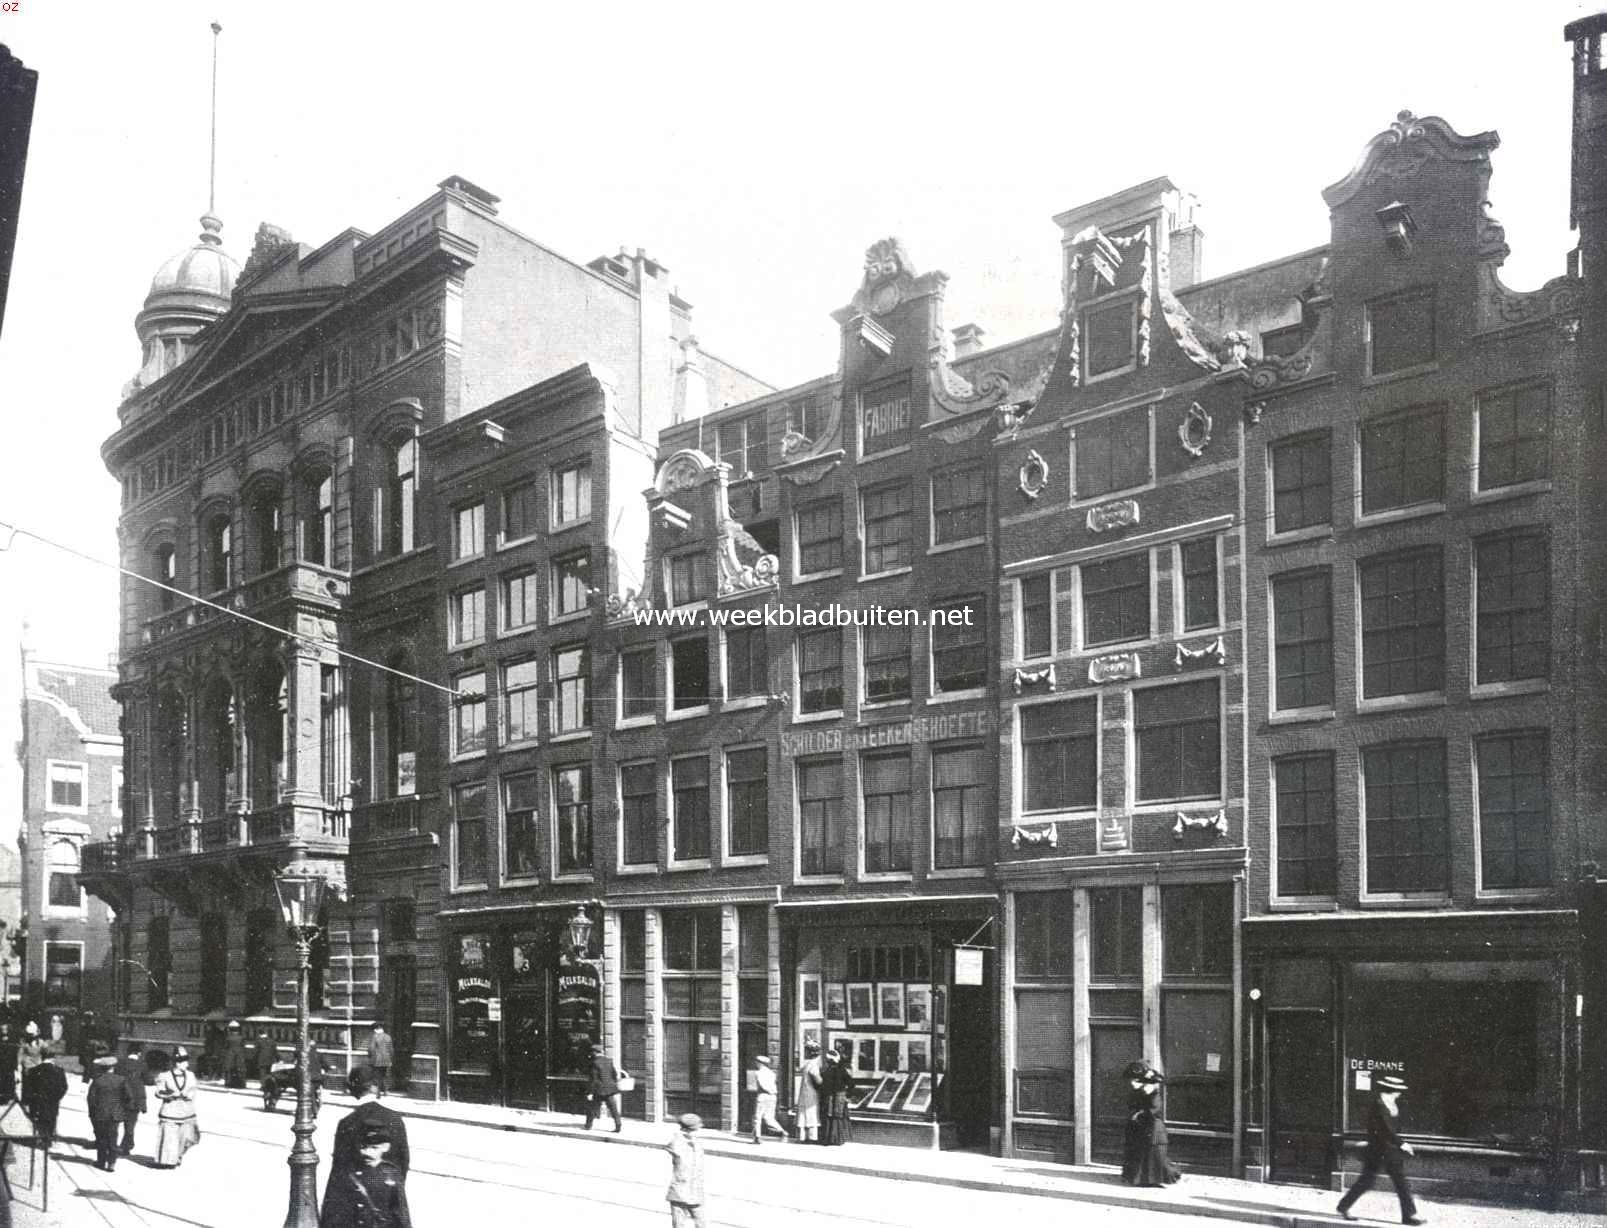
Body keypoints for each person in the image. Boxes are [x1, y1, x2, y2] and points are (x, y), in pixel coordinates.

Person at [321, 1067, 410, 1228]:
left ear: (354, 1091)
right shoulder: (395, 1120)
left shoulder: (347, 1123)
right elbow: (403, 1163)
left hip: (356, 1212)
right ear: (375, 1088)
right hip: (390, 1207)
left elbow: (339, 1173)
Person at [1338, 1075, 1427, 1225]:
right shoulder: (1379, 1104)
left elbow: (1390, 1128)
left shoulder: (1390, 1103)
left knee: (1372, 1181)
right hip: (1381, 1150)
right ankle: (1409, 1216)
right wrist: (1402, 1144)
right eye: (1398, 1090)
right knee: (1396, 1182)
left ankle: (1343, 1206)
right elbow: (1385, 1129)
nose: (1400, 1093)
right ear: (1392, 1090)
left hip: (1385, 1149)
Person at [319, 1120, 412, 1228]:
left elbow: (401, 1213)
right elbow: (334, 1211)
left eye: (374, 1148)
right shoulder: (349, 1173)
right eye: (363, 1147)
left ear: (386, 1147)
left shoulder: (391, 1174)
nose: (367, 1153)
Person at [1121, 1061, 1181, 1187]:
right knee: (1141, 1153)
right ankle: (1139, 1178)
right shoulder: (1137, 1093)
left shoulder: (1153, 1094)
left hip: (1153, 1128)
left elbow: (1154, 1109)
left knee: (1153, 1155)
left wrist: (1140, 1113)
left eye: (1136, 1080)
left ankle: (1160, 1177)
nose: (1132, 1083)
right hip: (1140, 1128)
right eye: (1132, 1080)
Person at [154, 1047, 201, 1168]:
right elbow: (159, 1092)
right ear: (177, 1063)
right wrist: (170, 1094)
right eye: (185, 1062)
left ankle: (178, 1156)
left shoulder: (190, 1075)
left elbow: (193, 1090)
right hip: (170, 1110)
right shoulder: (164, 1075)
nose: (187, 1064)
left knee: (186, 1137)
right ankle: (168, 1161)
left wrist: (189, 1095)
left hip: (186, 1112)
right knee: (169, 1138)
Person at [86, 1055, 135, 1172]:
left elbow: (91, 1099)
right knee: (113, 1138)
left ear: (102, 1068)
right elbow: (128, 1096)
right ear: (113, 1067)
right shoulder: (121, 1080)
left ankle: (101, 1161)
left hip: (100, 1114)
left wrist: (92, 1113)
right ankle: (112, 1162)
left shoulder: (98, 1080)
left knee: (101, 1138)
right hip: (115, 1114)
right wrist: (122, 1108)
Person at [665, 1112, 707, 1228]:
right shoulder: (679, 1143)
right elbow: (672, 1147)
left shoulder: (695, 1143)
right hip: (682, 1191)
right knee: (683, 1224)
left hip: (690, 1191)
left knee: (699, 1223)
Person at [20, 1051, 67, 1149]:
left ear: (42, 1057)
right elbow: (64, 1087)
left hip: (37, 1101)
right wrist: (57, 1097)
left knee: (39, 1120)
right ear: (53, 1058)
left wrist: (28, 1101)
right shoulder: (59, 1070)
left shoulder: (33, 1070)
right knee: (51, 1119)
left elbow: (28, 1088)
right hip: (52, 1101)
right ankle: (48, 1139)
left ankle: (41, 1139)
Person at [585, 1041, 623, 1133]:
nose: (591, 1054)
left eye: (592, 1052)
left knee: (592, 1107)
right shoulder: (609, 1061)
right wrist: (611, 1084)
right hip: (609, 1089)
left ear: (594, 1052)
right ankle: (618, 1125)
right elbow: (614, 1074)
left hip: (599, 1090)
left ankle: (588, 1125)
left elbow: (593, 1079)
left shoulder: (594, 1063)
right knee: (613, 1108)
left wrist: (590, 1092)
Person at [116, 1045, 148, 1155]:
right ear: (139, 1053)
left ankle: (111, 1143)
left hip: (120, 1096)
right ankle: (127, 1145)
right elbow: (148, 1080)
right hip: (136, 1099)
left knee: (115, 1121)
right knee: (130, 1123)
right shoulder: (142, 1065)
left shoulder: (120, 1063)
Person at [818, 1048, 853, 1146]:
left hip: (829, 1097)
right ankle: (837, 1139)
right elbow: (851, 1083)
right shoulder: (842, 1070)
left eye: (828, 1060)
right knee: (838, 1117)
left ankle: (828, 1139)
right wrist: (848, 1094)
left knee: (829, 1117)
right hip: (839, 1096)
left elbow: (821, 1085)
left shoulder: (826, 1072)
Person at [750, 1055, 787, 1144]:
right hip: (773, 1096)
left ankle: (757, 1137)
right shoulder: (772, 1073)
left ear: (760, 1063)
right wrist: (772, 1092)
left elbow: (762, 1085)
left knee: (757, 1117)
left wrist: (766, 1090)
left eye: (757, 1062)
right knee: (769, 1118)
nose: (756, 1064)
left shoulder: (758, 1073)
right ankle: (783, 1132)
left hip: (763, 1096)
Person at [795, 1041, 822, 1144]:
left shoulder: (808, 1064)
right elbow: (818, 1081)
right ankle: (811, 1138)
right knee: (811, 1115)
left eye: (806, 1050)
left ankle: (802, 1137)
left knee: (803, 1115)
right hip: (811, 1093)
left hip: (805, 1093)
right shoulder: (813, 1065)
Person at [367, 1024, 393, 1098]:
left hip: (377, 1060)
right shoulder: (388, 1037)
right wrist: (390, 1059)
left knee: (378, 1076)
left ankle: (378, 1093)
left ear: (376, 1030)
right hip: (386, 1060)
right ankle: (385, 1091)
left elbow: (371, 1048)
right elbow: (391, 1050)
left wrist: (369, 1056)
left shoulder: (375, 1037)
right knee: (384, 1075)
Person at [222, 1021, 248, 1089]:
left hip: (230, 1054)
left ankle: (228, 1083)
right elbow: (243, 1046)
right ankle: (242, 1083)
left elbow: (225, 1046)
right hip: (239, 1055)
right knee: (241, 1069)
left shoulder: (228, 1037)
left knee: (228, 1069)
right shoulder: (241, 1037)